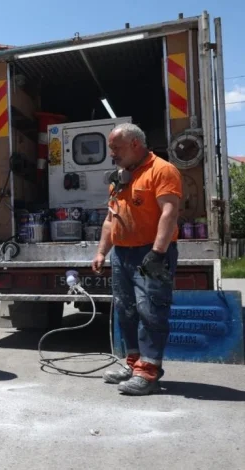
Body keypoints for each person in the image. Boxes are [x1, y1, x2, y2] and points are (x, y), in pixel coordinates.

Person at [92, 123, 182, 396]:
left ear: (134, 144)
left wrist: (157, 253)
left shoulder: (162, 170)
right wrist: (101, 252)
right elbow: (111, 219)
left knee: (151, 310)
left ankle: (149, 370)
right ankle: (134, 363)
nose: (112, 154)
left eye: (116, 148)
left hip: (150, 253)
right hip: (123, 253)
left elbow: (169, 212)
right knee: (126, 310)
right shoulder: (120, 177)